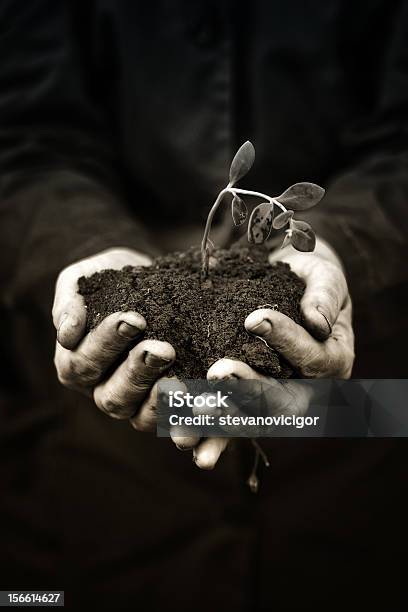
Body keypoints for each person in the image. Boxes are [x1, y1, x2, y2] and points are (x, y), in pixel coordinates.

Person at [1, 1, 407, 610]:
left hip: (361, 398)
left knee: (351, 571)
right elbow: (24, 138)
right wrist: (85, 252)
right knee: (84, 575)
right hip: (95, 441)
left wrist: (341, 245)